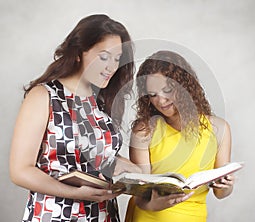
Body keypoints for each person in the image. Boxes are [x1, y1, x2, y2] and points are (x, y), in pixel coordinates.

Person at [10, 14, 141, 222]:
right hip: (54, 215)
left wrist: (125, 167)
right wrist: (73, 194)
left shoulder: (101, 101)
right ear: (80, 52)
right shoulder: (45, 96)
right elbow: (20, 171)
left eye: (117, 59)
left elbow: (85, 157)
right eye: (104, 57)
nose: (111, 67)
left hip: (102, 215)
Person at [125, 50, 235, 222]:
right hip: (149, 217)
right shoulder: (144, 130)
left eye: (167, 90)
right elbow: (141, 196)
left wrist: (227, 185)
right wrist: (155, 204)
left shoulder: (219, 129)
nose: (161, 101)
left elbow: (221, 193)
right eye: (153, 95)